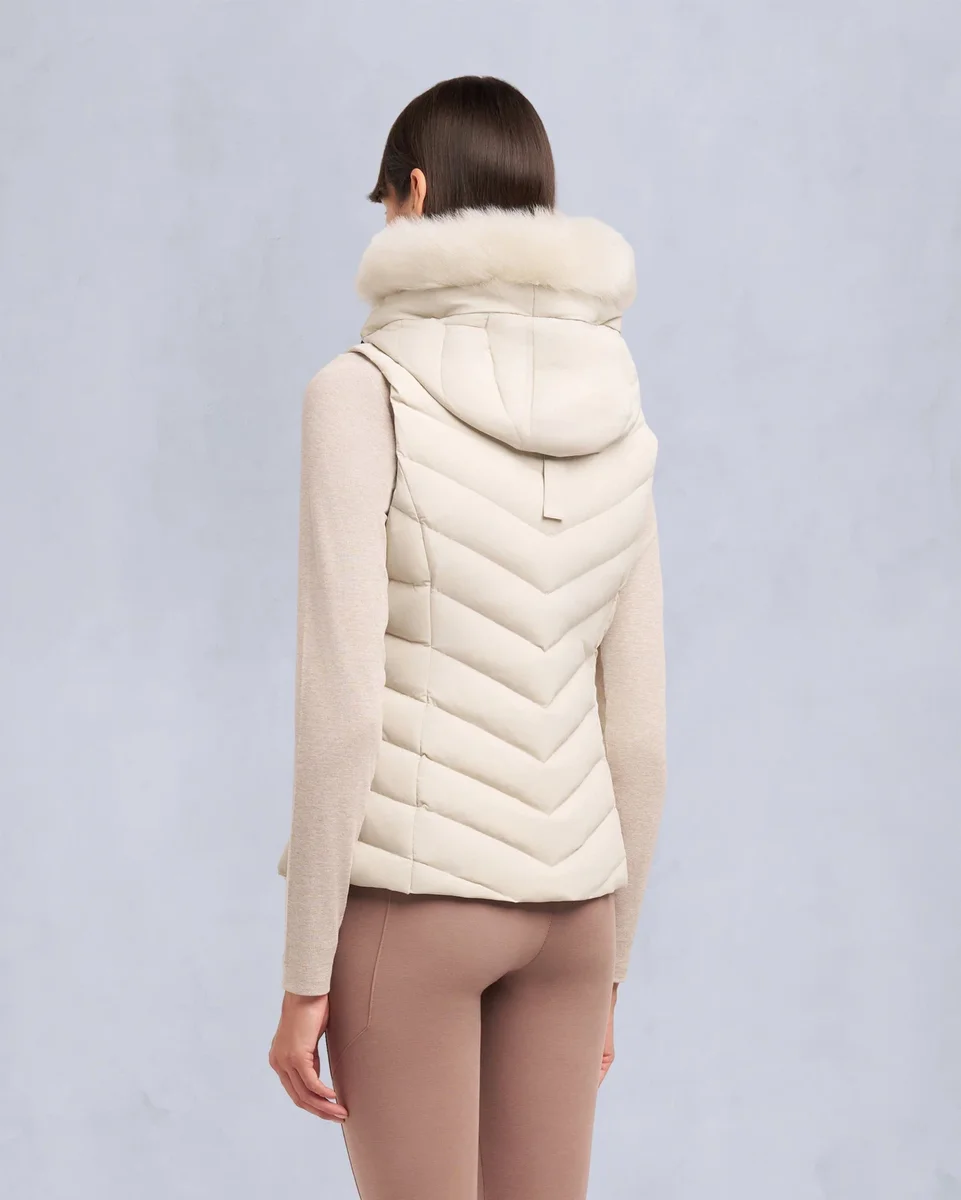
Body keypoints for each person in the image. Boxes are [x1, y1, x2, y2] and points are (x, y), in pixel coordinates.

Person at [268, 74, 667, 1200]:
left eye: (384, 201)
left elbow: (343, 712)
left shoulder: (361, 392)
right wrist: (611, 965)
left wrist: (303, 975)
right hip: (576, 915)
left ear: (414, 193)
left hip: (417, 902)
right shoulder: (616, 405)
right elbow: (637, 737)